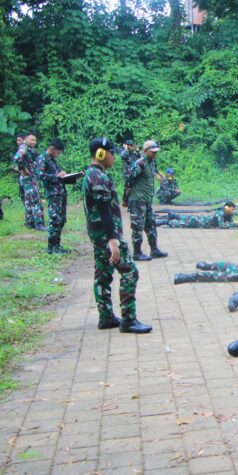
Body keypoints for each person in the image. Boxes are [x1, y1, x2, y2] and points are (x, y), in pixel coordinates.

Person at [81, 137, 152, 334]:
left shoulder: (91, 174)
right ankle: (128, 319)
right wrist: (113, 240)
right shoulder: (99, 178)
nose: (114, 157)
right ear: (101, 153)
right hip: (107, 236)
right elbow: (105, 211)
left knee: (103, 274)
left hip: (98, 235)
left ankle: (106, 317)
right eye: (112, 153)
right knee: (130, 272)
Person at [126, 139, 167, 261]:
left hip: (147, 200)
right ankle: (137, 252)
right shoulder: (140, 164)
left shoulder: (151, 163)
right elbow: (129, 181)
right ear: (145, 151)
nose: (155, 154)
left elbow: (153, 174)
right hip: (137, 200)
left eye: (156, 152)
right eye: (152, 152)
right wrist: (127, 198)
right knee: (138, 227)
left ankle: (154, 250)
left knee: (151, 224)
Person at [34, 139, 70, 254]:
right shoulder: (42, 159)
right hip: (53, 193)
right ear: (52, 149)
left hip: (60, 192)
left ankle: (57, 245)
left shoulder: (53, 160)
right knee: (55, 219)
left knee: (61, 219)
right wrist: (56, 176)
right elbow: (40, 175)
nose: (59, 154)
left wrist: (65, 175)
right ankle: (51, 247)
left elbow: (59, 174)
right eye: (58, 152)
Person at [12, 132, 45, 230]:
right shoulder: (24, 147)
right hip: (29, 179)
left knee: (28, 201)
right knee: (35, 200)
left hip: (26, 178)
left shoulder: (29, 149)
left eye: (35, 140)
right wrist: (23, 169)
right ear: (25, 139)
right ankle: (39, 224)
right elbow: (17, 157)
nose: (34, 142)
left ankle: (29, 223)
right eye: (31, 140)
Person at [156, 200, 238, 229]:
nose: (232, 211)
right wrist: (234, 224)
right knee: (181, 224)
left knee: (186, 219)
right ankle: (165, 222)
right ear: (227, 208)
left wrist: (236, 223)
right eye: (232, 209)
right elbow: (222, 226)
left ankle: (173, 215)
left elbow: (230, 222)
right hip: (198, 222)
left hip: (200, 220)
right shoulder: (220, 214)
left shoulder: (227, 214)